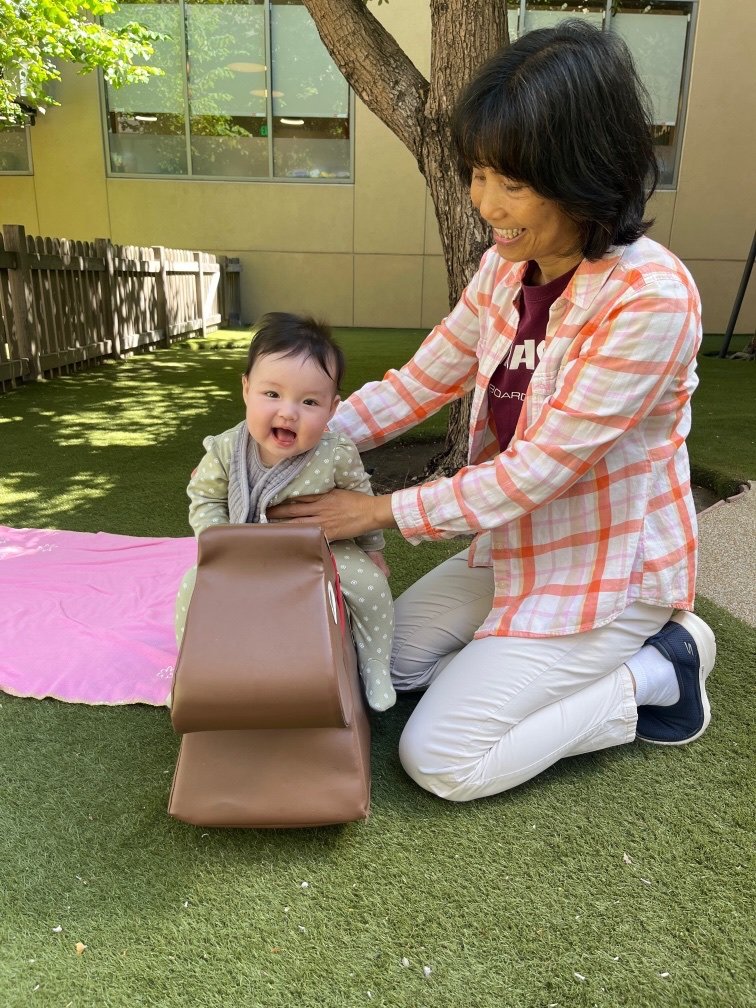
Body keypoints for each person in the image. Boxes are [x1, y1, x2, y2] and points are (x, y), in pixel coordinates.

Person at [269, 20, 716, 801]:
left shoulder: (651, 298)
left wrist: (369, 512)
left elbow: (537, 471)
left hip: (607, 573)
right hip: (518, 551)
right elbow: (422, 380)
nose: (486, 205)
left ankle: (658, 671)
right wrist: (299, 429)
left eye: (513, 183)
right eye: (478, 174)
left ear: (586, 172)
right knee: (387, 661)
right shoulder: (507, 270)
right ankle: (514, 663)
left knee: (441, 758)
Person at [175, 312, 396, 712]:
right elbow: (205, 497)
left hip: (323, 549)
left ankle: (377, 665)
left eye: (309, 401)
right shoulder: (225, 449)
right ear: (246, 389)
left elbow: (360, 499)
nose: (288, 412)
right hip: (245, 547)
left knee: (370, 586)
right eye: (272, 394)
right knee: (194, 587)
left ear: (332, 409)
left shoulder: (335, 453)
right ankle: (192, 667)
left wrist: (373, 548)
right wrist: (219, 540)